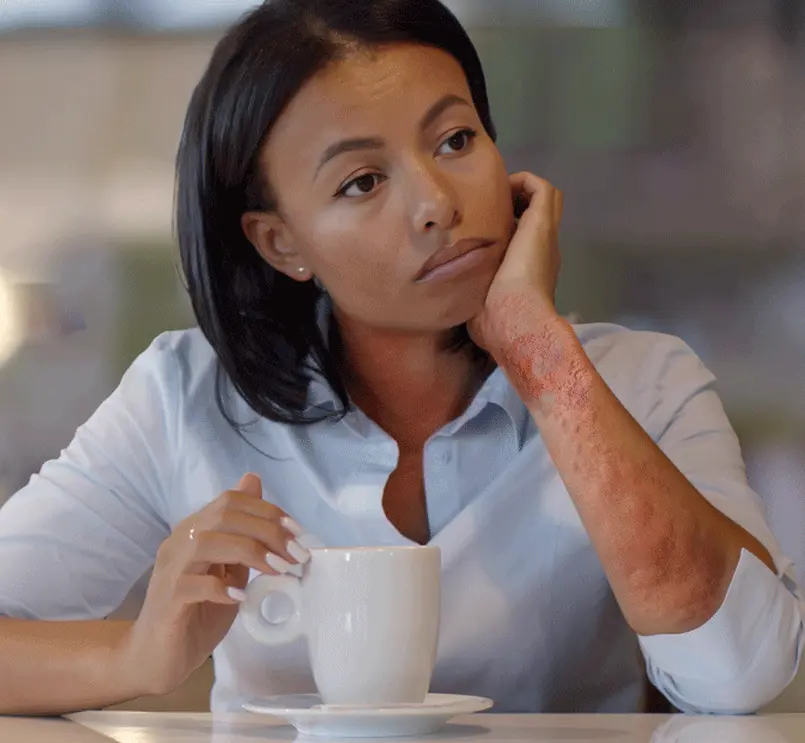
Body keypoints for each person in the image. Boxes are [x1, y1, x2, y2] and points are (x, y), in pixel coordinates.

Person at [0, 0, 802, 717]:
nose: (435, 203)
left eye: (455, 139)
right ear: (281, 243)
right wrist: (139, 654)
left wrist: (538, 355)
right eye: (360, 182)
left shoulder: (641, 380)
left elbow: (739, 673)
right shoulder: (186, 397)